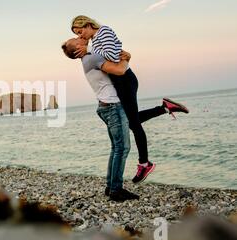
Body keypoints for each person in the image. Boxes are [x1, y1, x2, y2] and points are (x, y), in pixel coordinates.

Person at [70, 15, 189, 183]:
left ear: (88, 25)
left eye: (80, 32)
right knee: (130, 121)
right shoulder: (95, 41)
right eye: (78, 34)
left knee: (133, 124)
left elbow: (112, 55)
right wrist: (91, 51)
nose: (81, 36)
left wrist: (89, 51)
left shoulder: (104, 31)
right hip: (119, 82)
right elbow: (108, 58)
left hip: (125, 80)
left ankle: (145, 163)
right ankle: (164, 108)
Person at [61, 38, 138, 201]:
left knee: (116, 148)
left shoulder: (89, 57)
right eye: (76, 39)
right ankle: (116, 190)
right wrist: (126, 59)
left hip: (106, 106)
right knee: (122, 148)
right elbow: (119, 71)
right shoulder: (91, 58)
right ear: (78, 48)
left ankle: (111, 187)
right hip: (112, 106)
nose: (79, 37)